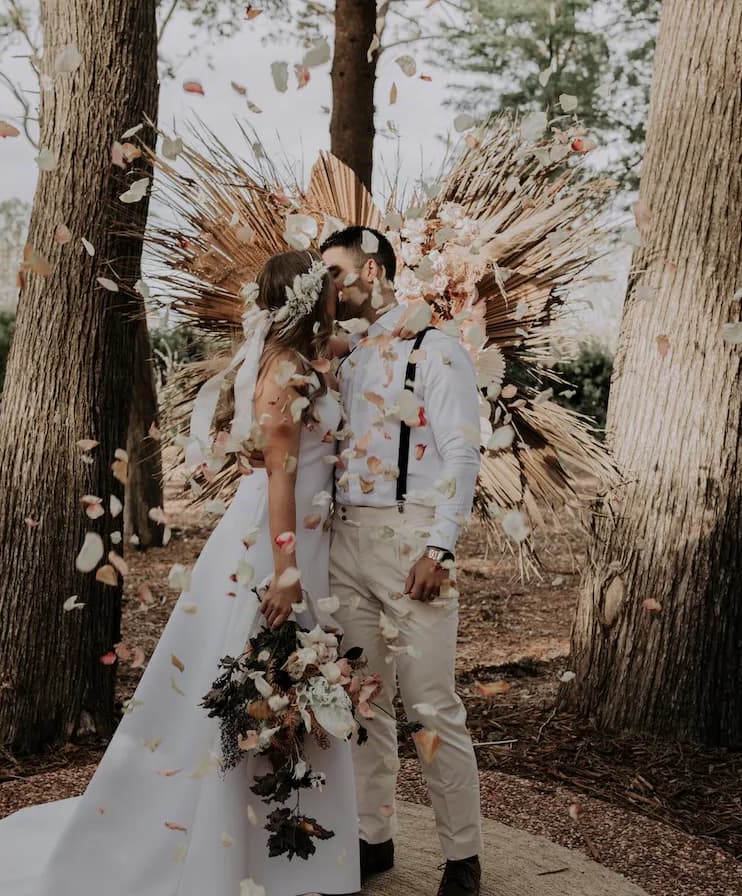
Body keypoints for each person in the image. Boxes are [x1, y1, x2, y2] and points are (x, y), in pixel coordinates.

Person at [0, 250, 357, 896]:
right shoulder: (285, 377)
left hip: (306, 542)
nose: (339, 298)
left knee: (291, 687)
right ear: (308, 300)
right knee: (259, 686)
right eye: (329, 290)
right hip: (277, 544)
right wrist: (289, 568)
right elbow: (280, 478)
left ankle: (286, 855)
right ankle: (233, 853)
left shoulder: (300, 364)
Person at [320, 226, 485, 896]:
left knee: (429, 704)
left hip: (412, 539)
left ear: (377, 269)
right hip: (345, 542)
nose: (326, 286)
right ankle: (372, 837)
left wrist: (440, 547)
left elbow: (462, 451)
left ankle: (464, 857)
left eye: (335, 272)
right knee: (362, 700)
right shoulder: (346, 354)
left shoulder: (437, 348)